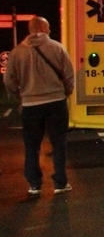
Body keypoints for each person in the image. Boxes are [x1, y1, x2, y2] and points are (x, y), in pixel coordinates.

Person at [3, 16, 75, 197]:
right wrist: (66, 92)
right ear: (43, 28)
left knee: (32, 145)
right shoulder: (57, 48)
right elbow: (69, 74)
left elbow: (8, 80)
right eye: (48, 27)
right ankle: (60, 182)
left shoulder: (18, 51)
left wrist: (20, 96)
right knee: (59, 144)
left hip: (30, 105)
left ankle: (34, 184)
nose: (50, 30)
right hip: (56, 103)